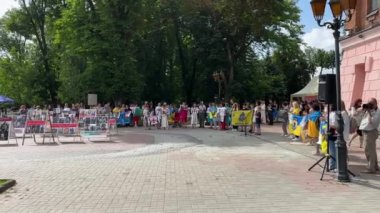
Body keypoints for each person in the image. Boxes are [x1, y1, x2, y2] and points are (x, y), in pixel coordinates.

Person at [359, 98, 380, 173]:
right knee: (372, 150)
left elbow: (372, 123)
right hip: (366, 132)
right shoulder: (370, 110)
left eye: (370, 104)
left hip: (370, 132)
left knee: (368, 150)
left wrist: (369, 113)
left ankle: (371, 168)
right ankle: (375, 166)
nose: (369, 105)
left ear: (375, 104)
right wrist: (365, 110)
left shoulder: (377, 112)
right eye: (368, 103)